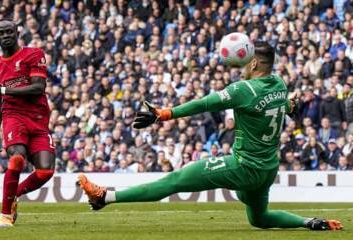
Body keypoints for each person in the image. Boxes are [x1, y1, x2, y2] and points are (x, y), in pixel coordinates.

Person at [77, 42, 342, 231]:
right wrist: (291, 106)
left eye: (245, 59)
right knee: (259, 219)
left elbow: (204, 104)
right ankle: (309, 222)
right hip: (267, 169)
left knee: (175, 180)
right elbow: (284, 105)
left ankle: (104, 197)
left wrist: (164, 113)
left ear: (252, 62)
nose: (240, 65)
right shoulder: (280, 85)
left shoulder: (244, 89)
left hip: (244, 166)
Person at [0, 19, 55, 227]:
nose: (5, 36)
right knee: (17, 159)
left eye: (9, 32)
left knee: (46, 171)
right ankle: (5, 216)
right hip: (14, 117)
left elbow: (37, 88)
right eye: (0, 33)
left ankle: (13, 195)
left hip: (39, 120)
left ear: (17, 32)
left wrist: (2, 90)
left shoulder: (34, 54)